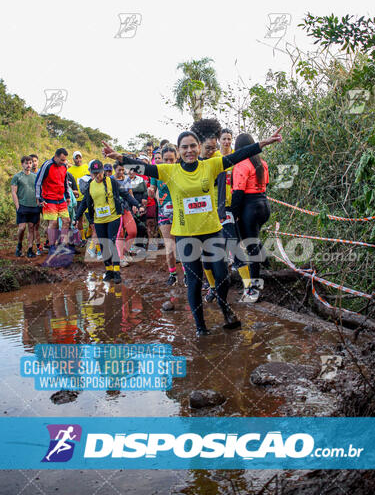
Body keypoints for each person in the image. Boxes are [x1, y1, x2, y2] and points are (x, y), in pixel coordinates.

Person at [102, 126, 282, 336]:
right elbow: (143, 168)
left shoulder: (211, 165)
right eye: (184, 147)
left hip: (212, 231)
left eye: (193, 146)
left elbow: (240, 154)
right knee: (195, 282)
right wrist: (120, 158)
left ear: (198, 147)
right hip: (186, 234)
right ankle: (200, 327)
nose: (189, 150)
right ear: (179, 150)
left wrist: (264, 143)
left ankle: (225, 309)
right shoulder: (170, 171)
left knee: (222, 276)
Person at [191, 119, 252, 303]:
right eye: (208, 147)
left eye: (214, 146)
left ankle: (249, 286)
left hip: (223, 210)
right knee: (205, 254)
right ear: (199, 145)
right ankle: (212, 288)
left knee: (234, 245)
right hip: (200, 214)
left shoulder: (220, 159)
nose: (212, 150)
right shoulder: (191, 161)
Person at [75, 160, 139, 283]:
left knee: (111, 242)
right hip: (99, 220)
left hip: (113, 218)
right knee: (103, 244)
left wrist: (137, 204)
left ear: (103, 171)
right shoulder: (90, 185)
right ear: (91, 173)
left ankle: (116, 271)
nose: (97, 176)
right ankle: (109, 270)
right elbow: (84, 203)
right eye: (94, 173)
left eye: (99, 172)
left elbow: (125, 194)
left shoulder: (112, 182)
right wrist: (77, 217)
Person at [231, 133, 271, 302]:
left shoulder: (240, 165)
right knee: (254, 239)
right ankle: (265, 260)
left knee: (251, 246)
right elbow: (266, 184)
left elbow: (238, 194)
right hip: (263, 205)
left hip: (249, 207)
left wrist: (234, 214)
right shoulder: (262, 163)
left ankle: (254, 287)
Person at [148, 144, 178, 286]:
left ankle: (188, 274)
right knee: (170, 246)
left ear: (176, 158)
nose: (168, 163)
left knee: (185, 245)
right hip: (164, 212)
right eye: (166, 159)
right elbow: (152, 187)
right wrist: (151, 190)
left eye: (171, 159)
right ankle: (172, 274)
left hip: (181, 211)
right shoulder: (156, 172)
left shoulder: (181, 170)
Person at [35, 148, 71, 254]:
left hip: (61, 198)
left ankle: (62, 245)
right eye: (61, 160)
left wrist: (67, 196)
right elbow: (38, 182)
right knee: (53, 222)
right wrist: (39, 198)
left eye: (64, 160)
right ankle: (51, 246)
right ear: (55, 157)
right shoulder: (47, 165)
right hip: (49, 199)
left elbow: (65, 182)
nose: (63, 162)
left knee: (66, 221)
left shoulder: (64, 166)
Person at [11, 156, 41, 257]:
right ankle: (19, 245)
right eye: (26, 163)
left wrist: (38, 203)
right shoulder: (17, 177)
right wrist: (17, 206)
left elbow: (37, 191)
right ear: (22, 164)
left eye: (30, 163)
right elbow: (14, 192)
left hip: (34, 206)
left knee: (31, 227)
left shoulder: (35, 177)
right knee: (22, 228)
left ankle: (29, 249)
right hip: (22, 205)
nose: (28, 165)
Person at [113, 161, 141, 266]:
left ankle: (124, 251)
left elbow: (130, 193)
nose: (121, 172)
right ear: (114, 169)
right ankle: (120, 258)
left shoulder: (127, 179)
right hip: (115, 211)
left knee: (132, 231)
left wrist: (134, 204)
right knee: (119, 233)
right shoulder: (110, 180)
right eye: (119, 170)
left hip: (126, 208)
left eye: (123, 170)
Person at [68, 151, 90, 243]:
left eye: (79, 157)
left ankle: (89, 233)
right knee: (79, 219)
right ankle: (83, 237)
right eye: (76, 158)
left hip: (88, 196)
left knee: (91, 218)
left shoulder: (86, 167)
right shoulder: (69, 170)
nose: (78, 160)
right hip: (76, 198)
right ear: (73, 159)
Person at [29, 153, 43, 255]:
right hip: (33, 203)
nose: (34, 163)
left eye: (35, 161)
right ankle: (38, 246)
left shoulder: (41, 172)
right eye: (31, 161)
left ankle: (48, 244)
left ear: (38, 162)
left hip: (44, 201)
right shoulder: (27, 175)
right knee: (34, 225)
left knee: (50, 224)